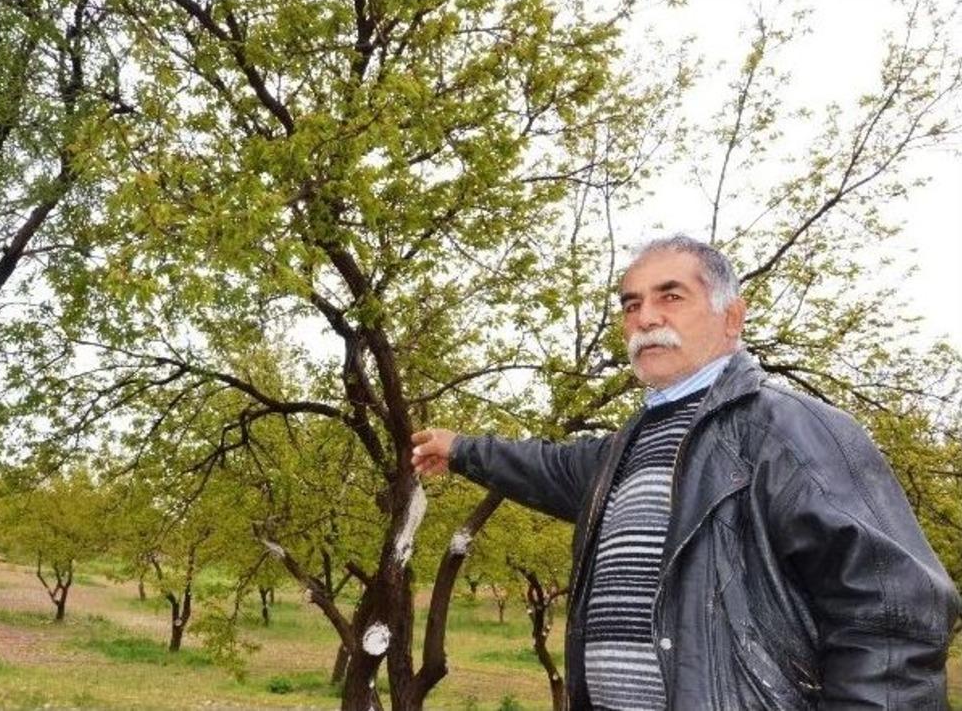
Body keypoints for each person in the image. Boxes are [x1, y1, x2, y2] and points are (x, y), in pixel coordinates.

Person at [411, 236, 960, 710]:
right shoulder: (628, 447)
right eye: (631, 304)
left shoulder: (786, 430)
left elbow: (892, 610)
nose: (645, 317)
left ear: (732, 316)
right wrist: (459, 448)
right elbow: (545, 466)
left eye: (670, 296)